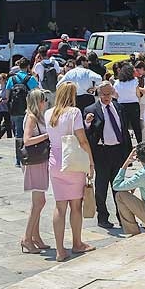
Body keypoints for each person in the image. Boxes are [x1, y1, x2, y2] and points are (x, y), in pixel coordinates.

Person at [45, 82, 95, 261]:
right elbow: (81, 140)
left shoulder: (48, 113)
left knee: (59, 207)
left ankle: (59, 250)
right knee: (76, 206)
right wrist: (90, 162)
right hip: (72, 162)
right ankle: (77, 243)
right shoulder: (74, 112)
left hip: (54, 161)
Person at [83, 81, 132, 229]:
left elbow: (124, 131)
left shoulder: (118, 107)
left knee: (119, 187)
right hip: (101, 152)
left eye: (109, 94)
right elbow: (86, 134)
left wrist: (128, 155)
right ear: (98, 94)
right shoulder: (90, 109)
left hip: (118, 151)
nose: (106, 97)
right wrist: (88, 123)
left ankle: (122, 216)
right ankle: (103, 217)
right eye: (104, 94)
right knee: (101, 187)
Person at [20, 89, 51, 253]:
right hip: (34, 161)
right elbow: (27, 140)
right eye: (42, 100)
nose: (45, 103)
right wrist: (47, 136)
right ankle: (27, 237)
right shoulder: (32, 117)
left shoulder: (37, 116)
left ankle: (35, 236)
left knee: (39, 201)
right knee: (39, 202)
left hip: (39, 161)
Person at [6, 58, 39, 166]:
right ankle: (28, 155)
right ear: (28, 66)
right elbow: (37, 94)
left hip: (15, 110)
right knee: (29, 133)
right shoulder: (31, 79)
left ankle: (18, 159)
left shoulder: (12, 79)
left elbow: (7, 95)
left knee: (18, 133)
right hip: (28, 110)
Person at [113, 62, 145, 143]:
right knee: (136, 126)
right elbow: (138, 94)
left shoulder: (117, 82)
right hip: (134, 105)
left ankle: (126, 145)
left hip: (122, 106)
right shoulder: (134, 81)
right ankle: (140, 143)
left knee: (124, 127)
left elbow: (115, 95)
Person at [0, 72, 12, 139]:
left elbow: (7, 97)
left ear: (4, 79)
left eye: (0, 78)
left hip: (6, 107)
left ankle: (9, 136)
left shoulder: (7, 86)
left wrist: (2, 100)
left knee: (7, 122)